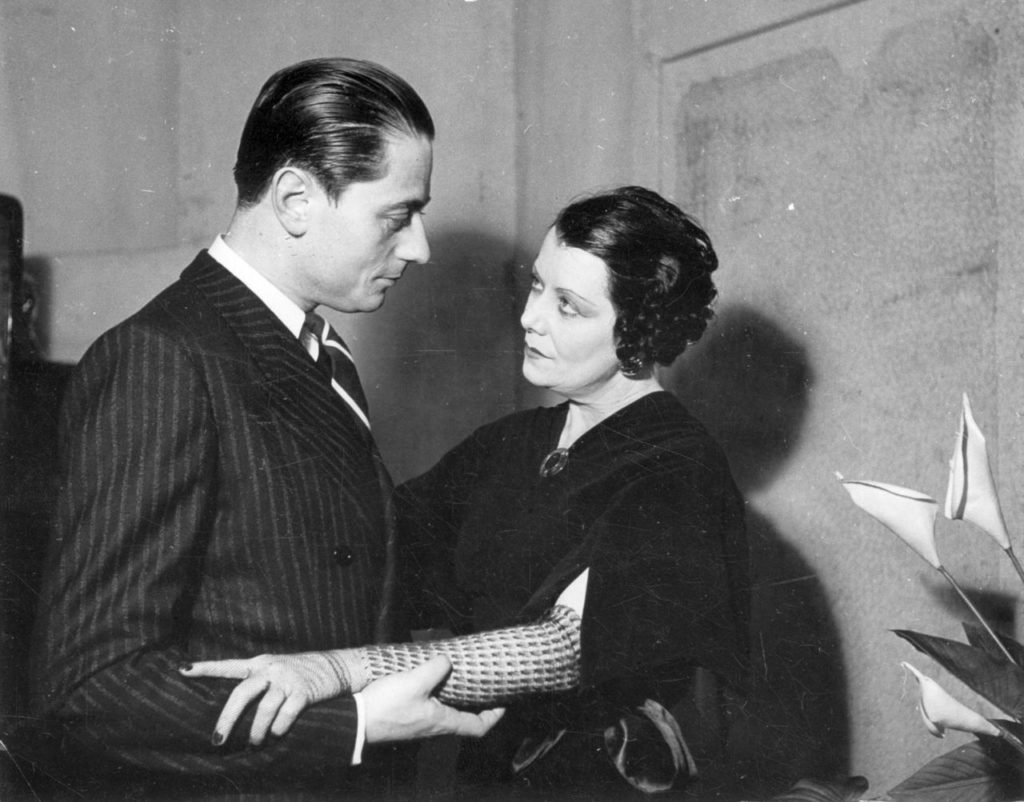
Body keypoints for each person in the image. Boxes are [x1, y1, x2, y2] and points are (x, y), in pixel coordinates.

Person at [26, 57, 502, 797]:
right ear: (295, 199)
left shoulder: (316, 351)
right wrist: (352, 724)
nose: (419, 247)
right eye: (397, 215)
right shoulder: (164, 358)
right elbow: (89, 684)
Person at [184, 186, 751, 797]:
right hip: (489, 776)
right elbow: (380, 551)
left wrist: (338, 670)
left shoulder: (678, 465)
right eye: (538, 286)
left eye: (568, 306)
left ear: (641, 330)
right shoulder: (511, 442)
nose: (531, 318)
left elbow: (561, 648)